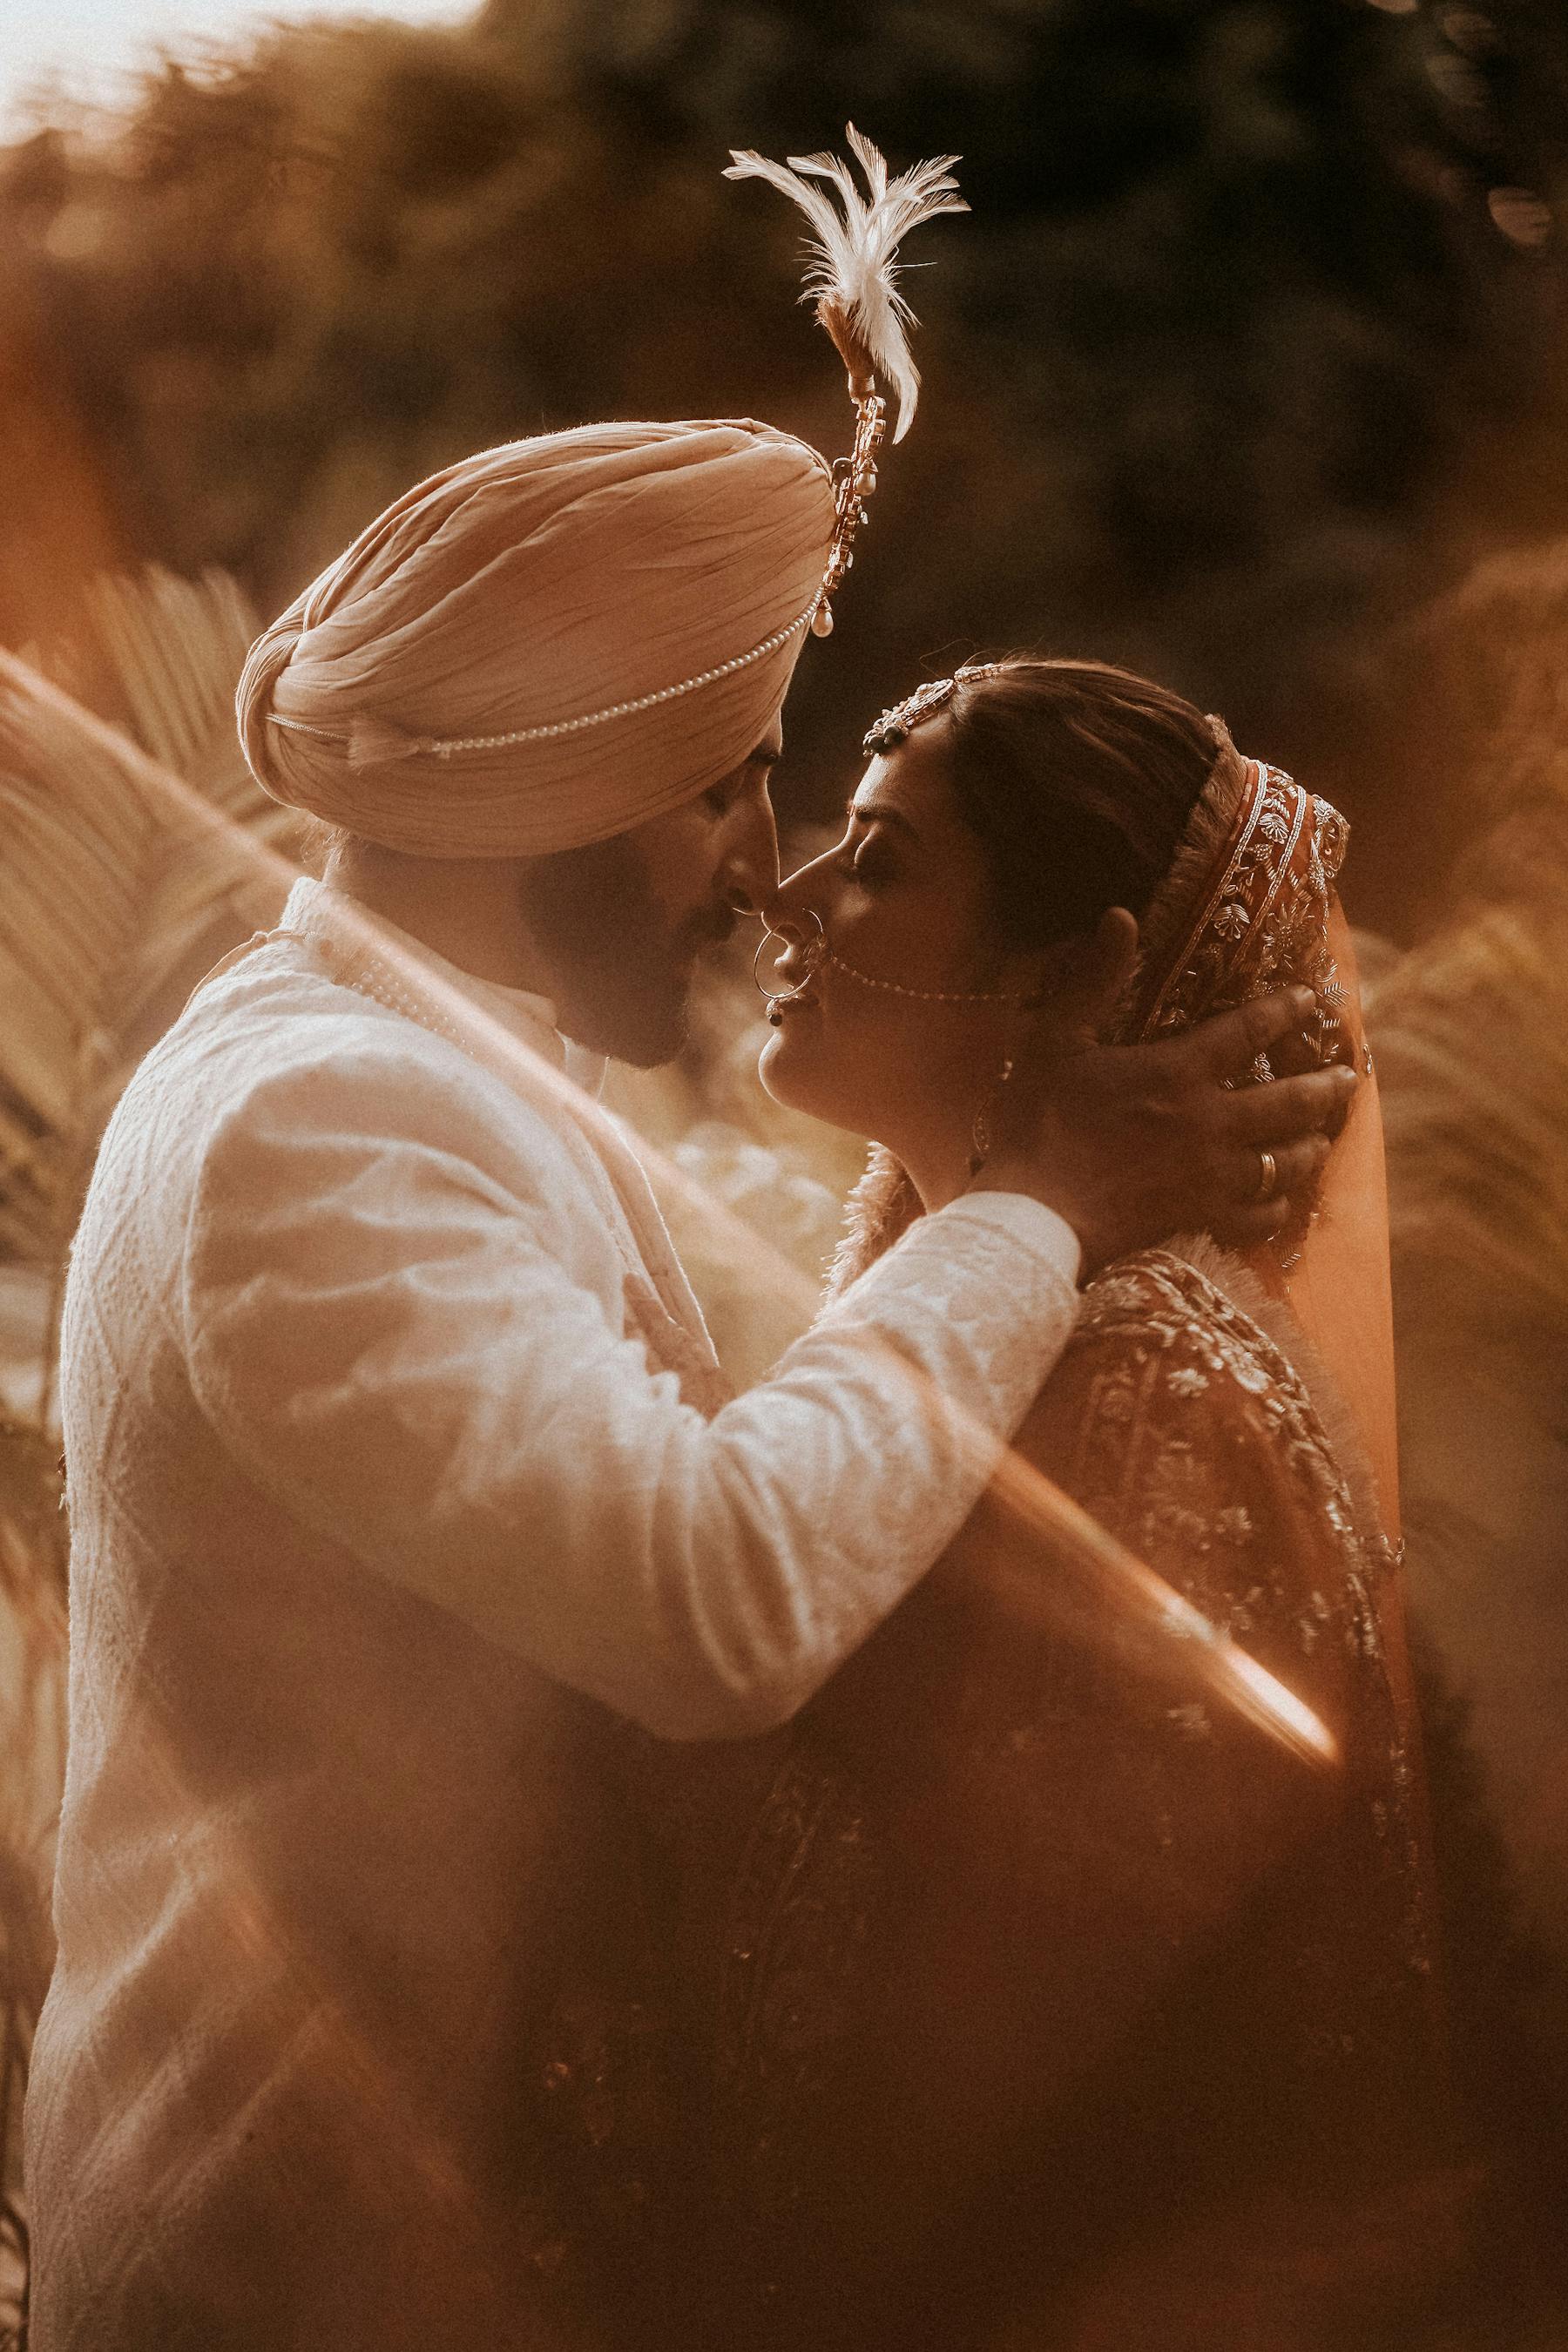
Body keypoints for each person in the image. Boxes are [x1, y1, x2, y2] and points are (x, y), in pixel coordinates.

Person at [22, 137, 1354, 2349]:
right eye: (727, 786)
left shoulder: (424, 1062)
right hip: (301, 2278)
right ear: (546, 797)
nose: (765, 869)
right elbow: (715, 1600)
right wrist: (1044, 1199)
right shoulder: (318, 1125)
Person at [622, 658, 1457, 2352]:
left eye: (877, 859)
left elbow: (1068, 2073)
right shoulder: (994, 1322)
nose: (785, 896)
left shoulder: (1158, 1388)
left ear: (1080, 977)